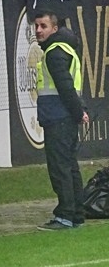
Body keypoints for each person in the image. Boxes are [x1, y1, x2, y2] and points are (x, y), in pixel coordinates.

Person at [33, 12, 90, 231]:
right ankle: (76, 213)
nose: (38, 30)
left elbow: (65, 87)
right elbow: (71, 85)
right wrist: (79, 110)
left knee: (60, 167)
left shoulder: (55, 53)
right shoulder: (66, 49)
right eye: (36, 26)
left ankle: (65, 215)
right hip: (64, 115)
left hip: (59, 116)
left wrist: (77, 112)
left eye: (43, 26)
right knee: (70, 165)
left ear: (54, 29)